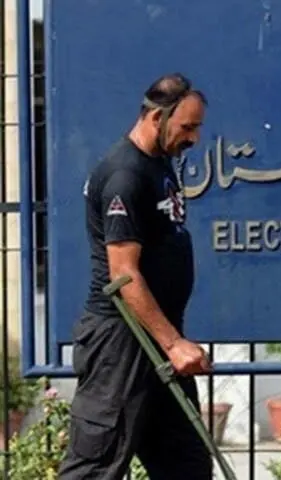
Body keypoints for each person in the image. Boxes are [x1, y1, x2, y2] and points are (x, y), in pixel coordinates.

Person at [59, 73, 214, 480]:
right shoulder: (126, 175)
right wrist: (175, 343)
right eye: (187, 127)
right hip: (122, 342)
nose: (194, 138)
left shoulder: (160, 164)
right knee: (96, 468)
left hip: (155, 338)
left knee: (187, 466)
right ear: (155, 117)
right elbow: (123, 274)